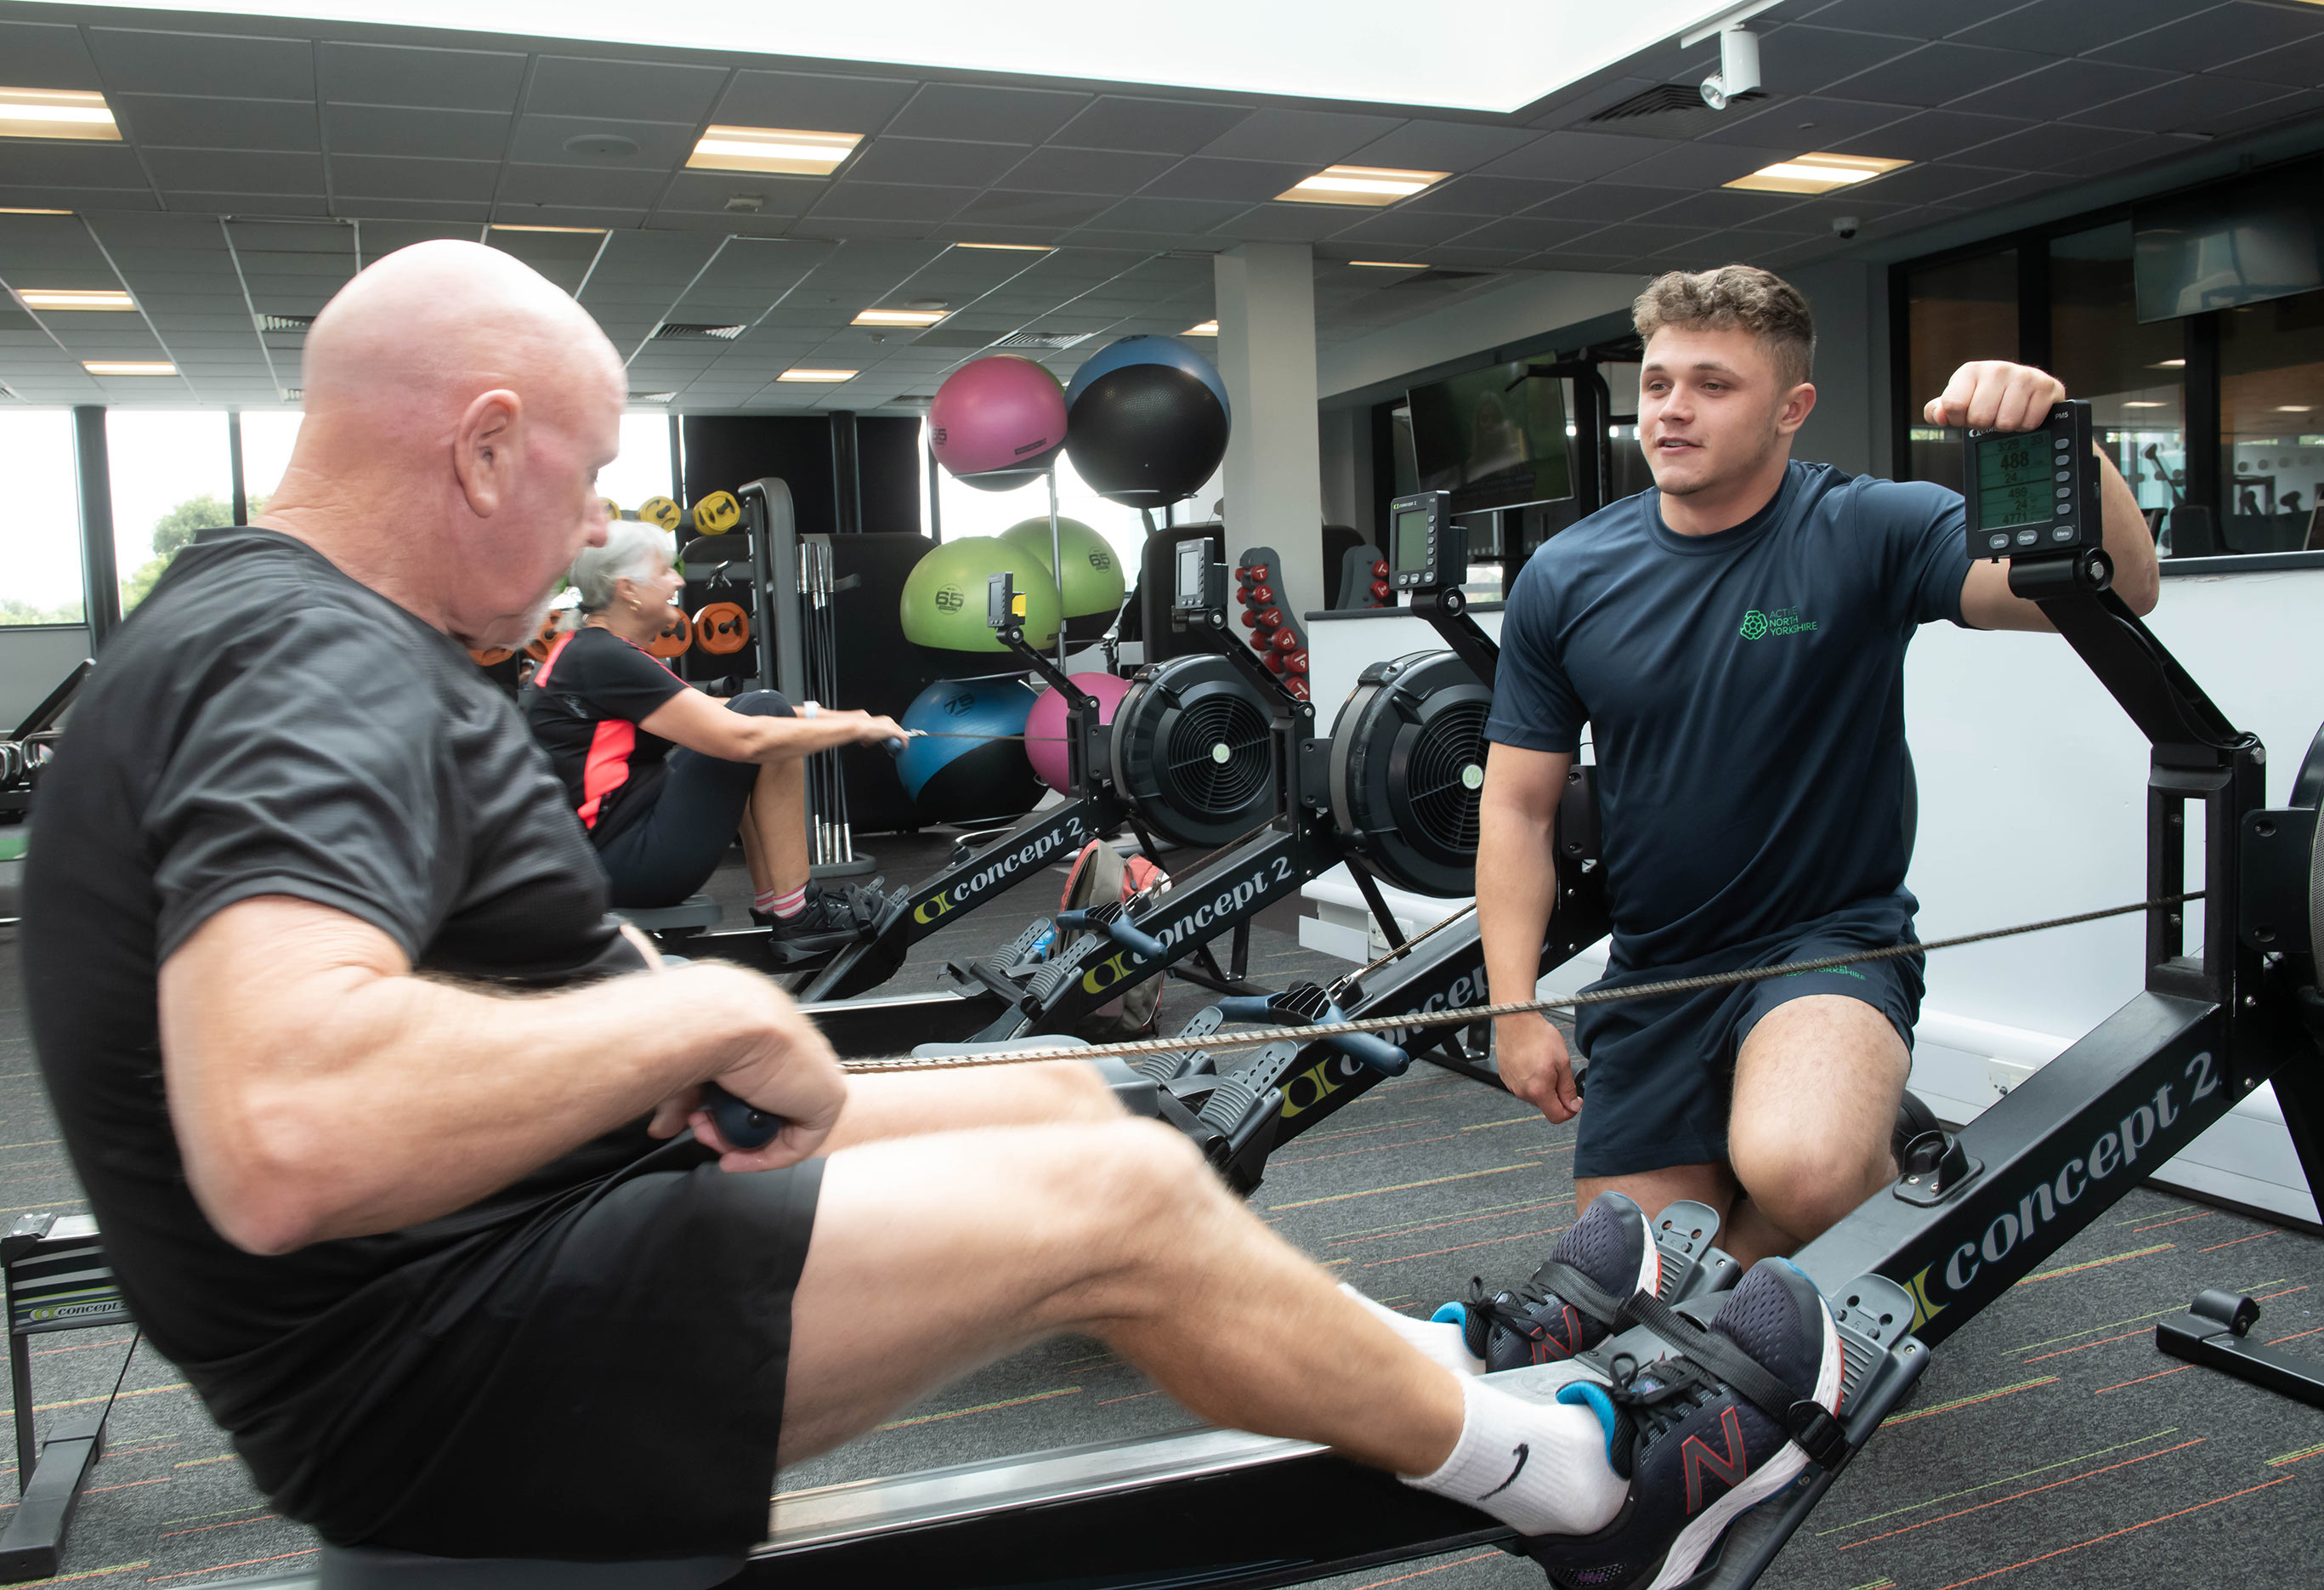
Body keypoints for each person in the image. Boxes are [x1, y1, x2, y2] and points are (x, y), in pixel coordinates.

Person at [22, 239, 1839, 1588]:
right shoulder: (297, 656)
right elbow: (289, 1129)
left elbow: (437, 970)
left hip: (526, 1213)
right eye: (580, 483)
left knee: (1067, 1093)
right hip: (442, 1363)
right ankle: (1588, 1485)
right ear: (484, 442)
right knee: (1115, 1192)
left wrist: (638, 1004)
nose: (584, 534)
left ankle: (1416, 1364)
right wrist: (698, 1018)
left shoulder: (295, 632)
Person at [1451, 266, 2157, 1512]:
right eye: (1656, 382)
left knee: (1802, 1173)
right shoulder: (1569, 573)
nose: (1670, 409)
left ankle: (1844, 1178)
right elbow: (1513, 805)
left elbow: (2110, 587)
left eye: (1711, 384)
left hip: (1826, 941)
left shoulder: (1864, 526)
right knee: (1618, 1281)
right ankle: (1803, 1218)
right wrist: (1512, 1004)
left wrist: (2056, 432)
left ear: (1790, 408)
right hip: (1659, 971)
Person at [521, 520, 903, 943]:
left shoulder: (591, 651)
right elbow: (743, 735)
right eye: (664, 570)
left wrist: (843, 716)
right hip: (625, 864)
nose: (678, 580)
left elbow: (712, 713)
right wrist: (852, 728)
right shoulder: (605, 658)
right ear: (627, 589)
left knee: (757, 712)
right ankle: (798, 912)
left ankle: (775, 904)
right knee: (759, 718)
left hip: (601, 857)